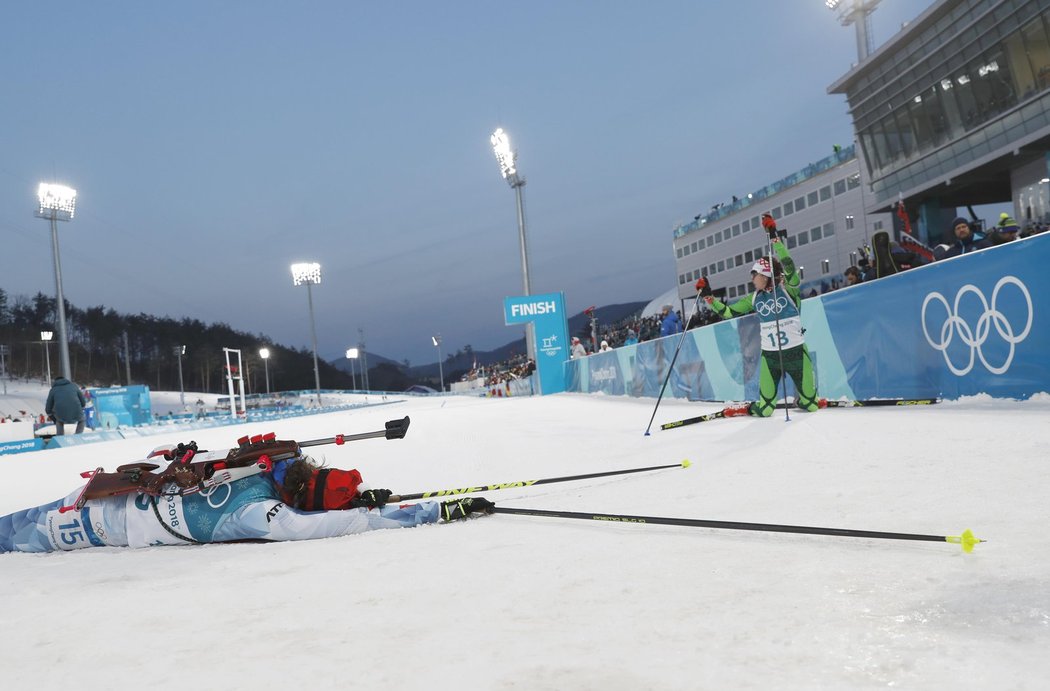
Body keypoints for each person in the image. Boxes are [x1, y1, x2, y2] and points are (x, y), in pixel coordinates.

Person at [0, 444, 495, 554]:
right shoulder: (269, 515)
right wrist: (432, 511)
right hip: (107, 528)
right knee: (13, 537)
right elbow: (348, 525)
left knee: (12, 526)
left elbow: (169, 456)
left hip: (99, 497)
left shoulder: (256, 465)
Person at [704, 213, 819, 417]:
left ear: (766, 276)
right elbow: (729, 312)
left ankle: (804, 398)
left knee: (811, 406)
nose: (752, 280)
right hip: (771, 358)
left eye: (755, 275)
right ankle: (750, 407)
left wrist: (775, 238)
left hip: (796, 354)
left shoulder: (788, 289)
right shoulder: (754, 298)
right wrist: (710, 299)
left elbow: (790, 267)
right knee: (765, 411)